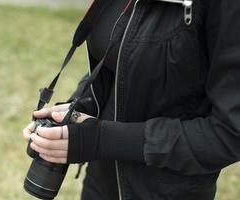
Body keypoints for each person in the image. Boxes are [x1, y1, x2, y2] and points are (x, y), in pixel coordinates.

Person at [23, 0, 240, 199]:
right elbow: (118, 62)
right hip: (99, 184)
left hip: (167, 192)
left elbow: (231, 134)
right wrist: (80, 106)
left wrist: (100, 140)